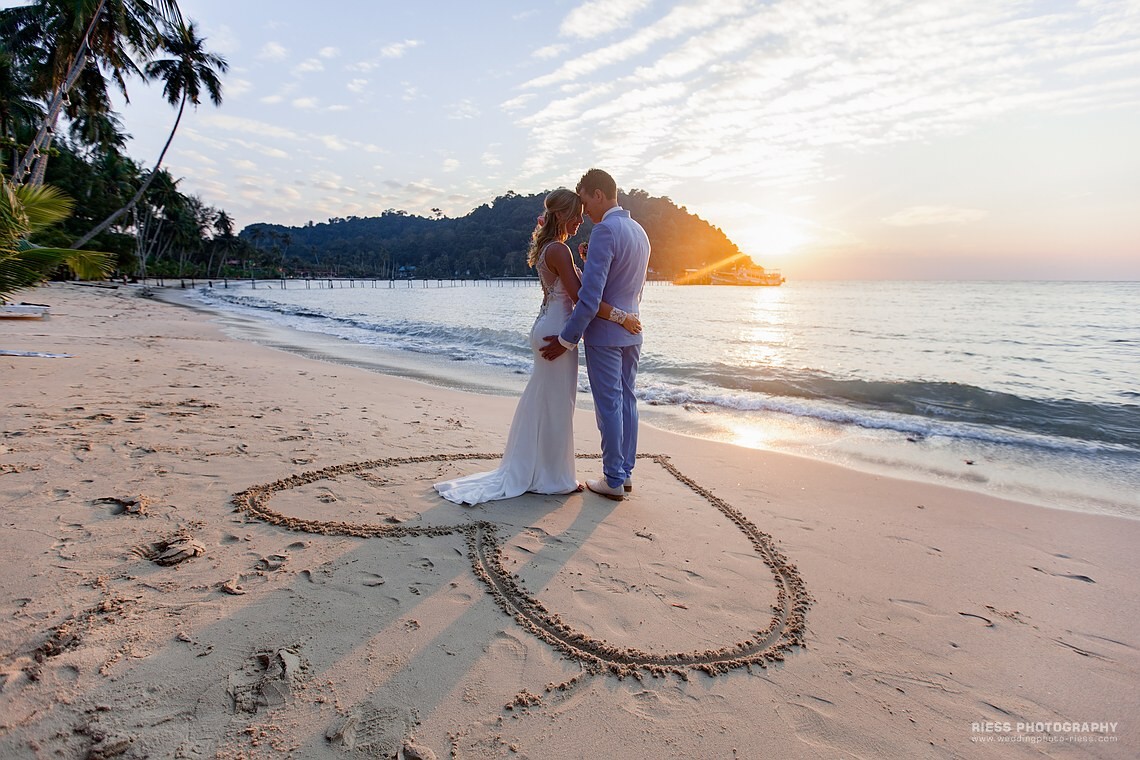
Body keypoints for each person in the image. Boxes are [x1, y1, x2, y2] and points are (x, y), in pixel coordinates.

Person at [434, 188, 641, 506]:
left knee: (547, 399)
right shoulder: (559, 250)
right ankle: (552, 477)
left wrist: (585, 263)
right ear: (561, 215)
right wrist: (621, 316)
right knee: (556, 403)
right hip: (557, 331)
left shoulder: (552, 248)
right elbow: (582, 297)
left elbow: (576, 289)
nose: (581, 220)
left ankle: (544, 471)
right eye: (576, 215)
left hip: (548, 324)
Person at [540, 169, 651, 501]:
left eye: (586, 201)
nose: (585, 210)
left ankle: (613, 478)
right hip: (633, 329)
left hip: (605, 335)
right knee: (628, 401)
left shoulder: (605, 230)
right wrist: (590, 263)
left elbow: (589, 299)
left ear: (599, 194)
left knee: (609, 406)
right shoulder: (639, 231)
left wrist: (566, 339)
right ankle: (625, 474)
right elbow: (631, 286)